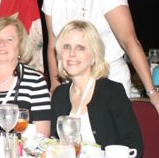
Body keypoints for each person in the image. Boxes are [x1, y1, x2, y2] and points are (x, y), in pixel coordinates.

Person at [50, 20, 143, 155]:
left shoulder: (112, 92)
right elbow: (55, 143)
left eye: (80, 48)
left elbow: (134, 146)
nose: (72, 54)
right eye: (66, 47)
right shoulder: (59, 94)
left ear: (94, 55)